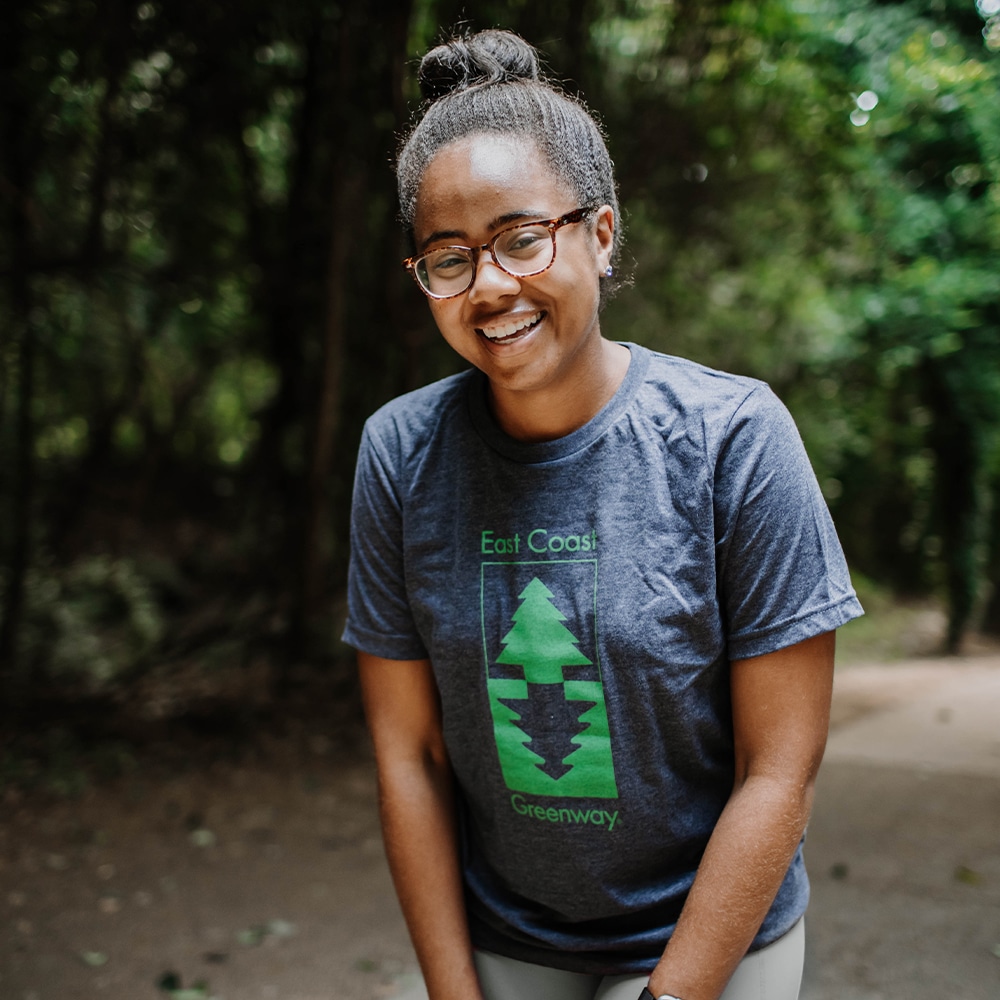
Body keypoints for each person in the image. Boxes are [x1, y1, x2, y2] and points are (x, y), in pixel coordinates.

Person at [342, 27, 863, 1000]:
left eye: (521, 239)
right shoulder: (400, 454)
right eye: (448, 258)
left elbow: (779, 769)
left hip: (706, 934)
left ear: (602, 233)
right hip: (507, 931)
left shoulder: (732, 438)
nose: (489, 285)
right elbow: (408, 755)